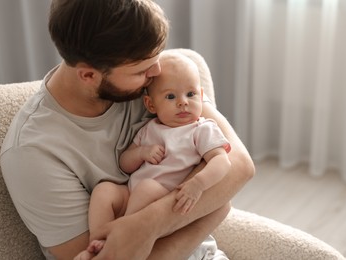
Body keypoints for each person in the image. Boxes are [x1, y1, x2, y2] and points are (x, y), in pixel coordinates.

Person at [0, 0, 255, 259]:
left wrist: (148, 223)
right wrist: (209, 213)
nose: (157, 72)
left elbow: (239, 167)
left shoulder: (160, 81)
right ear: (89, 76)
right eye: (143, 70)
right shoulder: (31, 152)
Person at [76, 52, 232, 259]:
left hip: (165, 201)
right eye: (170, 96)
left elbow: (222, 160)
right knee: (104, 190)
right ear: (151, 105)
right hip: (133, 194)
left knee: (147, 188)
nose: (183, 102)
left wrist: (198, 184)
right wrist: (141, 153)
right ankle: (99, 241)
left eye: (191, 94)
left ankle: (124, 235)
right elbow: (125, 164)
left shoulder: (201, 129)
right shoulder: (150, 128)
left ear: (201, 96)